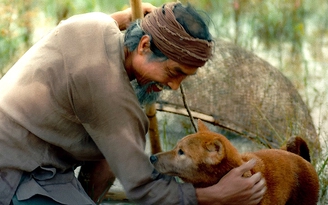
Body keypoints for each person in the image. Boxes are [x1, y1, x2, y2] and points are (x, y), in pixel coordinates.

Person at [0, 2, 266, 205]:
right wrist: (216, 195)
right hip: (14, 170)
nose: (174, 86)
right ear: (144, 45)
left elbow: (113, 21)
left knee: (109, 155)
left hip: (30, 148)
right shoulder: (111, 97)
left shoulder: (93, 24)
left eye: (186, 77)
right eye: (174, 72)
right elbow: (144, 188)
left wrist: (131, 17)